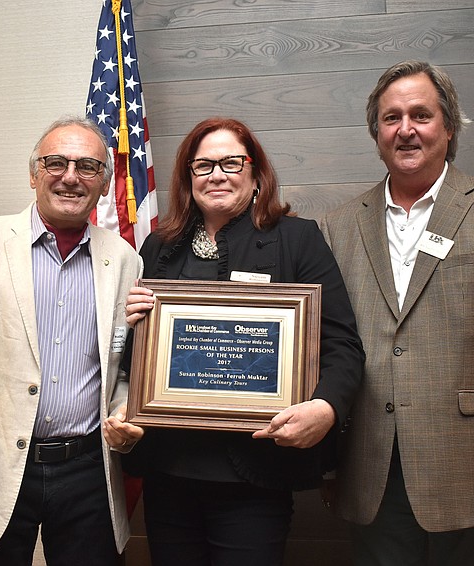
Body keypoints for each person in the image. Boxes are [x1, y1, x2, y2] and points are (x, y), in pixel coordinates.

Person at [318, 60, 474, 565]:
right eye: (391, 118)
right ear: (375, 132)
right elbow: (328, 345)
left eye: (421, 115)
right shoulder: (337, 226)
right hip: (370, 474)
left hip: (473, 475)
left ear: (448, 127)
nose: (406, 129)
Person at [117, 117, 365, 565]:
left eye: (231, 162)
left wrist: (326, 408)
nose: (217, 174)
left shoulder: (297, 239)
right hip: (168, 469)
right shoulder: (158, 246)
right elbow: (141, 360)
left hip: (255, 474)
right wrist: (134, 325)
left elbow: (343, 344)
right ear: (187, 177)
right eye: (203, 165)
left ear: (255, 173)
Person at [0, 116, 143, 565]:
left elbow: (120, 366)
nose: (70, 177)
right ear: (33, 173)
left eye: (88, 167)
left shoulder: (125, 261)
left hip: (88, 470)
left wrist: (123, 415)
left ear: (104, 184)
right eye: (55, 162)